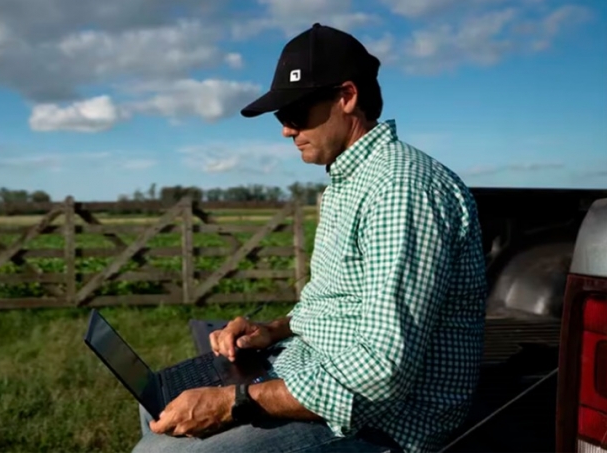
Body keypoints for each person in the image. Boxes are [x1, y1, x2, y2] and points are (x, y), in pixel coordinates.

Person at [132, 23, 488, 453]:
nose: (285, 129)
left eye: (294, 112)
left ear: (347, 97)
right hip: (318, 371)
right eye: (281, 117)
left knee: (160, 451)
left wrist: (234, 402)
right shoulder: (348, 181)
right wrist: (274, 330)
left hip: (385, 422)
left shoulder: (400, 189)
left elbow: (382, 371)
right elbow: (341, 305)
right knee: (158, 403)